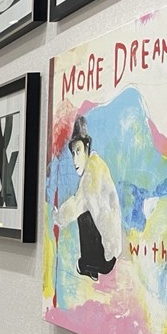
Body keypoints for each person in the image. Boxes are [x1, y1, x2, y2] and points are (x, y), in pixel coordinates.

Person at [53, 116, 121, 280]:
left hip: (106, 256)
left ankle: (87, 265)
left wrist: (57, 216)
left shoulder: (93, 170)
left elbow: (76, 203)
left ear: (87, 147)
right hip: (110, 250)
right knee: (84, 210)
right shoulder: (97, 165)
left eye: (78, 151)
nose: (75, 159)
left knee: (82, 214)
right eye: (73, 153)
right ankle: (91, 267)